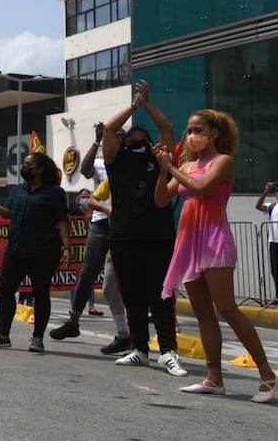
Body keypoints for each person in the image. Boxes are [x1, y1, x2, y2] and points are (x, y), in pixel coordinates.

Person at [157, 110, 277, 402]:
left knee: (227, 308)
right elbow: (160, 199)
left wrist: (171, 168)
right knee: (202, 313)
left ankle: (267, 376)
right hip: (190, 242)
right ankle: (214, 378)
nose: (191, 135)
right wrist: (165, 169)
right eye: (188, 129)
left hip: (213, 240)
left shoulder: (222, 162)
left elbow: (200, 188)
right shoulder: (187, 164)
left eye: (197, 129)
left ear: (213, 133)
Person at [96, 80, 187, 377]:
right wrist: (134, 105)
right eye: (131, 138)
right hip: (123, 237)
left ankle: (169, 352)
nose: (135, 140)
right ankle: (139, 349)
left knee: (160, 295)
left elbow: (168, 128)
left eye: (141, 137)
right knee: (132, 297)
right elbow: (109, 130)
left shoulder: (159, 160)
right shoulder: (115, 160)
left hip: (158, 236)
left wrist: (147, 104)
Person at [0, 152, 72, 353]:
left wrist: (67, 246)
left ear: (40, 169)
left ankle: (37, 338)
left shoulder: (54, 192)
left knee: (40, 292)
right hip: (16, 248)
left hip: (44, 250)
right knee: (6, 287)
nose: (24, 168)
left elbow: (62, 220)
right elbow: (9, 213)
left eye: (29, 165)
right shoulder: (19, 190)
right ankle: (2, 335)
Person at [50, 122, 112, 341]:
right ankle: (73, 321)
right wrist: (97, 140)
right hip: (101, 224)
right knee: (87, 274)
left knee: (124, 280)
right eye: (112, 136)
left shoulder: (130, 164)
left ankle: (129, 333)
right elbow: (85, 170)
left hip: (125, 225)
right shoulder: (101, 163)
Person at [85, 177, 131, 355]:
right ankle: (123, 336)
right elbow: (91, 199)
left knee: (135, 294)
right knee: (109, 289)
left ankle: (137, 341)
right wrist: (107, 209)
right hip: (117, 241)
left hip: (139, 243)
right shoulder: (113, 177)